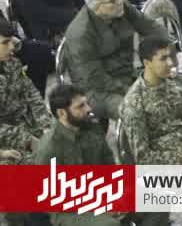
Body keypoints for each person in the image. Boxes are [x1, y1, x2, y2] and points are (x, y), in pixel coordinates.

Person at [34, 83, 121, 225]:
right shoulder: (49, 148)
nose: (88, 109)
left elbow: (108, 163)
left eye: (86, 103)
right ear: (62, 113)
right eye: (81, 106)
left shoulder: (92, 127)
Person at [120, 35, 182, 164]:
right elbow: (143, 159)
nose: (170, 63)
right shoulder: (134, 103)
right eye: (163, 59)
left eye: (170, 56)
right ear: (147, 63)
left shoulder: (174, 85)